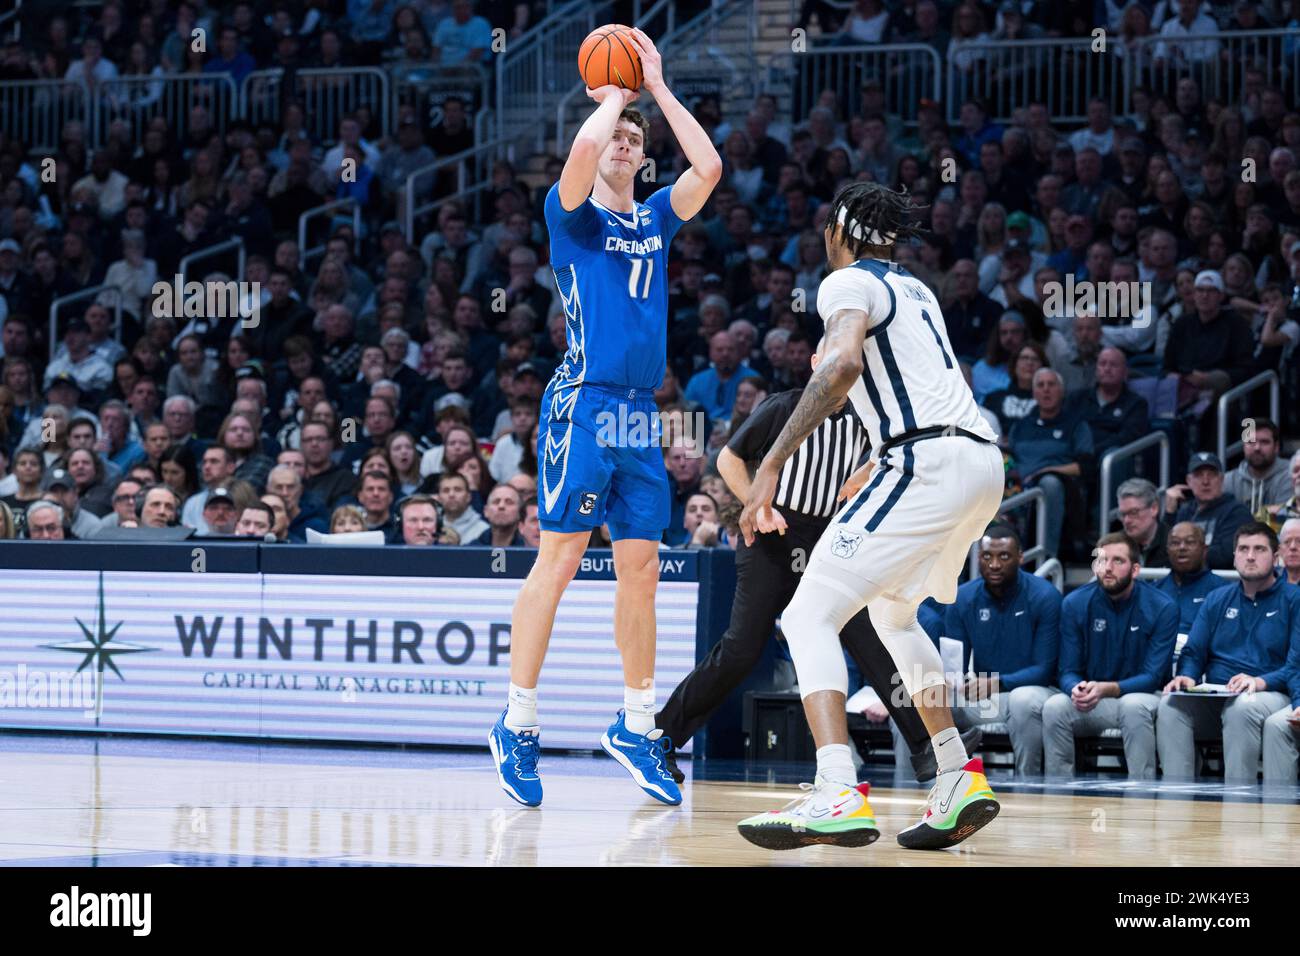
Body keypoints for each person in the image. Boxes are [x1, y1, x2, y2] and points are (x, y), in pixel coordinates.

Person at [489, 28, 722, 810]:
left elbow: (711, 168)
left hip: (639, 418)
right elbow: (578, 163)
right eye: (613, 134)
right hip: (582, 404)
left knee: (642, 573)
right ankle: (517, 722)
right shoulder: (575, 217)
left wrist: (653, 88)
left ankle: (635, 722)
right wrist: (612, 99)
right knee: (556, 562)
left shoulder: (656, 215)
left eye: (633, 139)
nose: (622, 141)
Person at [736, 181, 1004, 852]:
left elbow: (844, 366)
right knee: (893, 615)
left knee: (806, 615)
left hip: (928, 462)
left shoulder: (845, 282)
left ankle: (836, 789)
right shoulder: (917, 290)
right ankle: (955, 775)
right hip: (980, 462)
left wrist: (771, 461)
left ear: (838, 231)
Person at [657, 347, 976, 786]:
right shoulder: (784, 407)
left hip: (830, 537)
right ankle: (662, 735)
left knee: (868, 635)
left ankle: (925, 748)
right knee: (742, 648)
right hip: (772, 533)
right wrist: (757, 504)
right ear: (813, 363)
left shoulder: (871, 417)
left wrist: (865, 473)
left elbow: (896, 455)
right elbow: (729, 460)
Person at [1158, 523, 1300, 784]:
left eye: (1259, 549)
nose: (1250, 556)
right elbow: (1193, 651)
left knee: (1240, 707)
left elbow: (1296, 665)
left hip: (1271, 693)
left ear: (1276, 555)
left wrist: (1259, 681)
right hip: (1218, 693)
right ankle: (1175, 799)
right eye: (1243, 549)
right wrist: (1187, 676)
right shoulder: (1216, 599)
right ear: (1234, 556)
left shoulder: (1294, 599)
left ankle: (1238, 802)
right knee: (1170, 705)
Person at [1043, 532, 1177, 780]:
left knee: (1133, 706)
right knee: (1055, 707)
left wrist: (1108, 688)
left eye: (1118, 561)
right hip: (1095, 699)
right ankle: (1058, 789)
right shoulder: (1074, 603)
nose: (1107, 568)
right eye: (1102, 560)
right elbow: (1067, 669)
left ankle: (1142, 790)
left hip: (1144, 696)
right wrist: (1076, 687)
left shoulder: (1162, 606)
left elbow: (1153, 676)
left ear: (1135, 569)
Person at [942, 524, 1061, 778]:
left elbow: (1045, 670)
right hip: (986, 697)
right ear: (978, 558)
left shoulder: (1045, 596)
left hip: (1036, 692)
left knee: (1022, 701)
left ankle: (1028, 783)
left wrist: (997, 683)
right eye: (987, 556)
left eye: (1003, 556)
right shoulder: (962, 598)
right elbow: (955, 667)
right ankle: (943, 783)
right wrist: (952, 682)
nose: (994, 564)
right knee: (931, 703)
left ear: (1020, 558)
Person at [1008, 368, 1094, 560]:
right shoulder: (1021, 427)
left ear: (1062, 391)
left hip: (1054, 489)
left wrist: (1048, 471)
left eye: (1051, 384)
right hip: (1018, 491)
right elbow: (1009, 461)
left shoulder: (1076, 425)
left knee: (1049, 483)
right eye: (1040, 385)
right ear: (1034, 393)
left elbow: (1084, 467)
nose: (1046, 390)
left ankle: (1046, 560)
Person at [1163, 452, 1254, 569]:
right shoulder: (1185, 511)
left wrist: (1182, 554)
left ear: (1221, 479)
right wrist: (1170, 514)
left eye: (1211, 475)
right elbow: (1165, 552)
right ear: (1188, 481)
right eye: (1198, 475)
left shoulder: (1237, 512)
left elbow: (1225, 556)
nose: (1205, 481)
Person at [1154, 522, 1232, 636]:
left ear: (1204, 549)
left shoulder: (1223, 591)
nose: (1182, 547)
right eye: (1175, 542)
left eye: (1190, 542)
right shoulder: (1155, 591)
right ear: (1167, 550)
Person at [1223, 418, 1291, 515]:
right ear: (1243, 446)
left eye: (1264, 442)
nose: (1257, 447)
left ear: (1276, 447)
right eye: (1251, 442)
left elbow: (1283, 520)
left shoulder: (1291, 476)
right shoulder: (1229, 480)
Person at [1116, 478, 1169, 568]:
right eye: (1122, 514)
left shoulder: (1173, 544)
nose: (1126, 520)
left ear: (1154, 509)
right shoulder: (1115, 545)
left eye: (1133, 512)